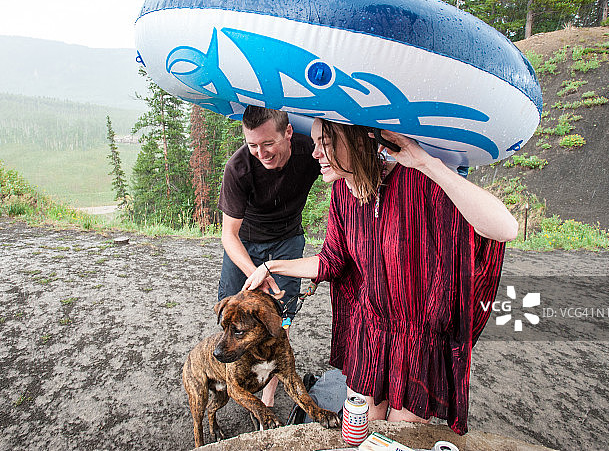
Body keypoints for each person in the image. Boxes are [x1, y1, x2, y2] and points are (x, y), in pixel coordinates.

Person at [244, 118, 517, 434]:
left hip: (415, 344)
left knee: (399, 437)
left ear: (357, 141)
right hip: (369, 334)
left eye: (325, 143)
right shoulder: (343, 197)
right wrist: (270, 266)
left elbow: (504, 228)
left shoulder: (419, 182)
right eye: (316, 143)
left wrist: (428, 164)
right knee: (358, 430)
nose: (315, 153)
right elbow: (330, 262)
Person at [217, 105, 321, 406]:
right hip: (246, 245)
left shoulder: (310, 152)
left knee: (280, 319)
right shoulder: (238, 168)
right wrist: (255, 272)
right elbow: (228, 235)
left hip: (287, 239)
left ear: (288, 133)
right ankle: (238, 379)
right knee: (231, 313)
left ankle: (269, 394)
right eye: (253, 146)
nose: (260, 153)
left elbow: (341, 167)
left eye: (268, 143)